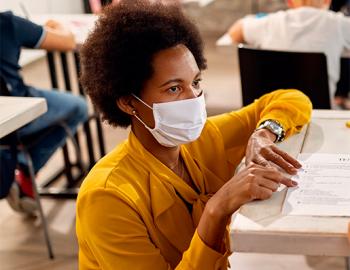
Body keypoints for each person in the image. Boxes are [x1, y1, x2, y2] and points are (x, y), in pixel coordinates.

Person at [76, 1, 312, 269]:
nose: (195, 98)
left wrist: (265, 133)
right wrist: (216, 209)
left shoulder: (202, 140)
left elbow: (292, 98)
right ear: (128, 103)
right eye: (174, 89)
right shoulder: (107, 197)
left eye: (196, 82)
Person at [0, 11, 88, 213]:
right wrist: (58, 26)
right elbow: (67, 42)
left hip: (3, 121)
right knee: (78, 107)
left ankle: (19, 164)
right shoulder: (8, 23)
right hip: (21, 111)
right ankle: (24, 166)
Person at [228, 0, 350, 109]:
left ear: (290, 2)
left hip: (269, 111)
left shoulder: (269, 23)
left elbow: (234, 33)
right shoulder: (339, 24)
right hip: (319, 112)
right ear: (327, 1)